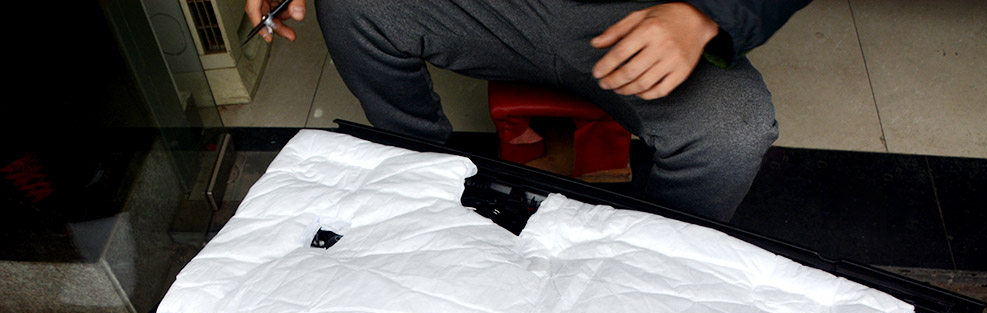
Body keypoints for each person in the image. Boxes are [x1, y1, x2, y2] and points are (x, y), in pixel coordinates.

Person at [244, 0, 811, 221]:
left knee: (732, 131)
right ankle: (422, 189)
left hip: (650, 17)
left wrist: (706, 14)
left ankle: (652, 264)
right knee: (351, 6)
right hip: (502, 9)